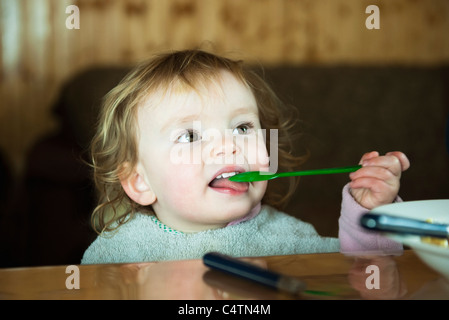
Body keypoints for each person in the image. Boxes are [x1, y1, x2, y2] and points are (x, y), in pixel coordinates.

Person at [81, 49, 409, 264]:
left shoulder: (288, 239)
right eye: (190, 136)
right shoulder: (120, 252)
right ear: (140, 182)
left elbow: (365, 281)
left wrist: (370, 215)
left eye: (241, 128)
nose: (229, 146)